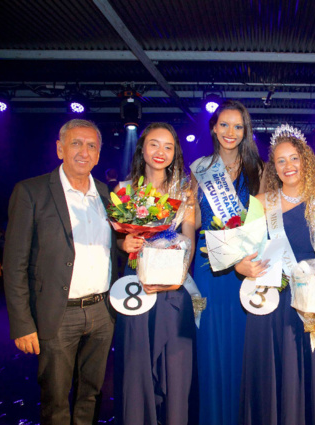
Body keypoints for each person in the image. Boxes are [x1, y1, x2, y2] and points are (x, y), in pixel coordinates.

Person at [4, 119, 117, 425]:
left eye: (92, 145)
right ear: (59, 148)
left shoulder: (109, 196)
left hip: (101, 312)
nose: (84, 151)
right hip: (56, 314)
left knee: (91, 394)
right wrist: (22, 324)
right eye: (76, 143)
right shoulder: (31, 191)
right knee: (55, 399)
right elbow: (14, 264)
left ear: (98, 154)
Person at [238, 124, 315, 425]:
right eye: (281, 160)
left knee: (311, 373)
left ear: (305, 161)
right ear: (273, 167)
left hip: (311, 301)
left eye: (294, 158)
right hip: (271, 302)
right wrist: (241, 265)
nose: (288, 166)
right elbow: (243, 250)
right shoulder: (259, 203)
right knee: (272, 373)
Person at [114, 123, 198, 425]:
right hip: (137, 288)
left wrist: (174, 274)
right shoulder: (124, 191)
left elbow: (188, 240)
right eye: (153, 144)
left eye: (168, 146)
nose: (160, 152)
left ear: (175, 153)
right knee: (137, 365)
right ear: (142, 148)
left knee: (176, 369)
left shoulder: (185, 194)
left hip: (174, 290)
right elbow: (115, 243)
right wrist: (125, 243)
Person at [189, 100, 264, 425]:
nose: (230, 132)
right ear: (213, 128)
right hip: (209, 270)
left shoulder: (258, 170)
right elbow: (189, 224)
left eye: (237, 126)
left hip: (245, 269)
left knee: (243, 348)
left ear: (245, 131)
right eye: (224, 125)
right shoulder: (199, 168)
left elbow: (269, 221)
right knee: (210, 348)